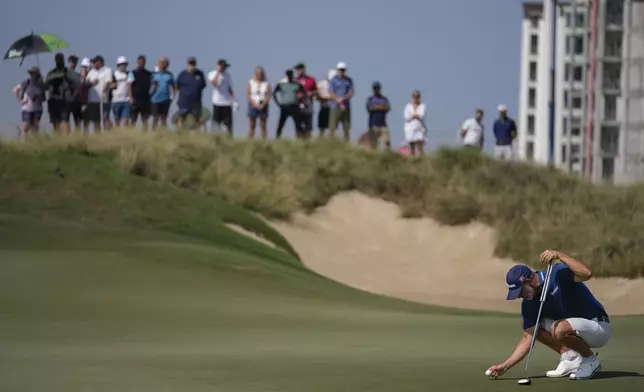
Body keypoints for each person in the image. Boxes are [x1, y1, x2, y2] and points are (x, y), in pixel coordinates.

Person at [487, 250, 611, 381]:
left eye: (520, 291)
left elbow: (586, 274)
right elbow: (527, 338)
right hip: (573, 329)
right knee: (532, 326)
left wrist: (559, 255)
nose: (519, 296)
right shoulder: (529, 304)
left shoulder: (557, 274)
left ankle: (590, 360)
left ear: (529, 280)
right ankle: (570, 358)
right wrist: (505, 366)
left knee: (559, 328)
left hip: (598, 327)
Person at [44, 52, 79, 135]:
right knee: (55, 123)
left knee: (65, 122)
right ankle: (57, 141)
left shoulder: (68, 72)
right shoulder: (51, 73)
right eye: (57, 59)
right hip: (53, 100)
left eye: (60, 59)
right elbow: (45, 87)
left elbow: (78, 84)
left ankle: (66, 141)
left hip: (64, 101)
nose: (59, 61)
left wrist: (73, 97)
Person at [13, 66, 45, 140]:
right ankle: (24, 145)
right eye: (31, 73)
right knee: (25, 128)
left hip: (37, 109)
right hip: (27, 109)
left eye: (34, 73)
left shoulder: (40, 84)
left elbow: (43, 98)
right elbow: (15, 90)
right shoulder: (26, 82)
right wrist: (20, 100)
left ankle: (33, 145)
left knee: (35, 129)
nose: (32, 75)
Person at [175, 56, 206, 130]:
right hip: (184, 101)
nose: (192, 65)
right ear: (187, 64)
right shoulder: (182, 74)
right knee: (181, 118)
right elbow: (177, 86)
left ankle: (196, 136)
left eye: (193, 64)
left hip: (196, 101)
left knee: (197, 119)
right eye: (190, 64)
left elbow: (203, 85)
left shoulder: (200, 74)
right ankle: (180, 134)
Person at [84, 55, 114, 132]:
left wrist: (104, 89)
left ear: (100, 62)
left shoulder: (107, 70)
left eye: (95, 62)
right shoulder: (91, 72)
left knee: (105, 118)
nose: (93, 64)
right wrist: (91, 82)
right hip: (93, 100)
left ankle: (110, 133)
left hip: (103, 99)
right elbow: (86, 83)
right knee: (95, 120)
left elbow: (108, 82)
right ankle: (98, 135)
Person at [273, 69, 305, 139]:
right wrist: (278, 103)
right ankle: (278, 137)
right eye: (289, 75)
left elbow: (303, 91)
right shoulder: (282, 84)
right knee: (281, 123)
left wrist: (301, 99)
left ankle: (300, 137)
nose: (290, 76)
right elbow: (274, 93)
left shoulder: (296, 84)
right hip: (285, 106)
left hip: (294, 106)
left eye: (291, 75)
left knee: (298, 123)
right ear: (286, 75)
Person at [208, 59, 236, 135]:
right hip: (217, 102)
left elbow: (229, 88)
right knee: (216, 123)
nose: (224, 68)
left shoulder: (228, 75)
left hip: (227, 102)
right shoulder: (212, 73)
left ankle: (229, 138)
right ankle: (216, 137)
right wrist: (218, 72)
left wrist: (234, 100)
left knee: (228, 124)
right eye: (223, 66)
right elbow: (214, 83)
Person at [328, 61, 354, 142]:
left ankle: (346, 143)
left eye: (343, 70)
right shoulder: (333, 80)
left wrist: (343, 98)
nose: (341, 71)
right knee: (332, 127)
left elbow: (351, 92)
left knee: (346, 127)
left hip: (346, 107)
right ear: (337, 70)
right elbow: (331, 92)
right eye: (340, 70)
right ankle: (330, 143)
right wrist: (337, 99)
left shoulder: (349, 80)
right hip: (335, 107)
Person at [129, 55, 153, 131]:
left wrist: (151, 96)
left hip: (145, 100)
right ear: (137, 62)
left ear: (145, 63)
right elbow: (129, 85)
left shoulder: (149, 74)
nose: (141, 63)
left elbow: (153, 85)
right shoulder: (132, 73)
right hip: (135, 100)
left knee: (145, 120)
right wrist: (131, 97)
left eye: (142, 62)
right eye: (139, 62)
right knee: (133, 120)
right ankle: (130, 135)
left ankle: (144, 136)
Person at [150, 56, 175, 130]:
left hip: (166, 99)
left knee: (164, 119)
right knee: (155, 118)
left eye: (165, 63)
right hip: (154, 99)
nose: (163, 65)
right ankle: (154, 134)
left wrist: (172, 97)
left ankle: (163, 134)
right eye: (162, 63)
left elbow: (174, 86)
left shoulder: (170, 75)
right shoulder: (153, 74)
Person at [246, 66, 271, 140]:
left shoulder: (266, 83)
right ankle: (250, 139)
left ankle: (264, 140)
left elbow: (268, 95)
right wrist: (254, 103)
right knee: (252, 124)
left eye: (261, 74)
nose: (259, 75)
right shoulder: (251, 82)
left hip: (263, 105)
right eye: (258, 74)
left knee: (263, 124)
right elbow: (248, 94)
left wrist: (263, 104)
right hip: (253, 104)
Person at [294, 63, 317, 139]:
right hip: (297, 104)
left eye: (299, 69)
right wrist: (296, 96)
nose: (298, 71)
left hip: (308, 104)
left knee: (308, 124)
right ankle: (299, 140)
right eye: (297, 70)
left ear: (303, 69)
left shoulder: (311, 79)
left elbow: (316, 91)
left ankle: (308, 140)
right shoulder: (294, 80)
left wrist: (311, 93)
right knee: (298, 124)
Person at [366, 81, 391, 150]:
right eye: (375, 89)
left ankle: (388, 154)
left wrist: (377, 107)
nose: (376, 90)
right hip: (373, 124)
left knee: (387, 141)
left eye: (377, 88)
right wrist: (380, 107)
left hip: (383, 124)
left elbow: (388, 108)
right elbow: (369, 108)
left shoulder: (384, 99)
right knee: (374, 143)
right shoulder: (370, 99)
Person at [403, 90, 427, 156]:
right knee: (411, 147)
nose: (416, 98)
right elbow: (406, 117)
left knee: (420, 147)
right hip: (410, 129)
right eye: (414, 96)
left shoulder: (422, 106)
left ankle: (422, 160)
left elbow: (422, 115)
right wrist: (415, 115)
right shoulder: (408, 106)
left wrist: (413, 115)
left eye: (417, 96)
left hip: (420, 128)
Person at [111, 56, 132, 128]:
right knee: (117, 120)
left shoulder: (129, 74)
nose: (123, 66)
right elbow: (110, 86)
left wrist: (131, 97)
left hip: (126, 100)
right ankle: (118, 133)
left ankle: (125, 133)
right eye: (122, 64)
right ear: (118, 65)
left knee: (126, 119)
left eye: (125, 64)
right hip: (116, 100)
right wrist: (113, 85)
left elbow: (130, 86)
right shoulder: (114, 74)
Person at [316, 69, 335, 137]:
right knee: (322, 126)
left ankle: (331, 140)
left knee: (332, 127)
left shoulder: (336, 85)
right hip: (324, 107)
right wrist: (324, 98)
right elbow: (316, 96)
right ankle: (321, 139)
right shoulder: (321, 84)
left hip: (333, 108)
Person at [66, 55, 83, 131]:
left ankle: (77, 137)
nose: (74, 64)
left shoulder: (77, 75)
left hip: (76, 101)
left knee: (78, 121)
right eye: (72, 62)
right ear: (69, 62)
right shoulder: (65, 73)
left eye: (75, 62)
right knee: (66, 121)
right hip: (67, 100)